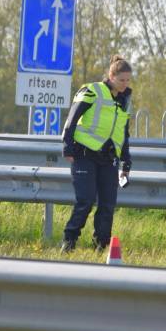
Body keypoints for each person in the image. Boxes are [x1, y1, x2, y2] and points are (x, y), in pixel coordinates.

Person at [60, 55, 133, 253]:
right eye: (121, 80)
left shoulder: (125, 100)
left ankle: (101, 246)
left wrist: (126, 163)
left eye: (128, 80)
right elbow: (72, 119)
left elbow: (123, 134)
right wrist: (67, 145)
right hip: (85, 154)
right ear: (111, 76)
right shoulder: (92, 90)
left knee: (108, 205)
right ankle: (69, 241)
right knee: (86, 201)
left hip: (109, 158)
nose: (125, 84)